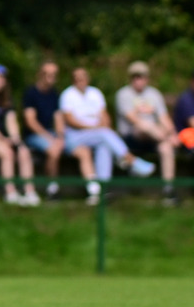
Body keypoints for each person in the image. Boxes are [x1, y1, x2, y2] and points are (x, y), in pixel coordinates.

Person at [60, 67, 156, 205]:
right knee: (104, 135)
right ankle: (131, 161)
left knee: (104, 144)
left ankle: (100, 191)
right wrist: (94, 128)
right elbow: (70, 120)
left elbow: (104, 116)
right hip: (75, 136)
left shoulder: (95, 93)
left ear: (88, 78)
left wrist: (101, 126)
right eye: (77, 78)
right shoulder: (67, 95)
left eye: (83, 77)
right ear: (73, 80)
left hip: (96, 134)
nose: (80, 81)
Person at [21, 61, 99, 200]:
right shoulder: (31, 93)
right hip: (34, 135)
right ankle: (53, 189)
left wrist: (61, 137)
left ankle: (94, 191)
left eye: (53, 74)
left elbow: (58, 119)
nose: (50, 77)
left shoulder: (55, 94)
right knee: (54, 150)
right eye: (47, 74)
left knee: (84, 151)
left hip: (53, 134)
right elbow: (30, 121)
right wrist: (51, 139)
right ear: (40, 74)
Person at [0, 65, 41, 206]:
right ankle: (10, 192)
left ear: (5, 81)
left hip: (5, 139)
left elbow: (11, 121)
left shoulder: (8, 99)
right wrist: (2, 139)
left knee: (24, 151)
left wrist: (15, 138)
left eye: (0, 77)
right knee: (7, 153)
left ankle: (29, 191)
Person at [115, 61, 178, 200]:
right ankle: (166, 139)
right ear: (130, 78)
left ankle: (169, 190)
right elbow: (133, 119)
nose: (138, 80)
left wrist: (173, 133)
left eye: (141, 76)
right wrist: (166, 135)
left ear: (147, 78)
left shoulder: (154, 94)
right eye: (135, 77)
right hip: (131, 137)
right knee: (144, 124)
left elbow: (164, 117)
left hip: (154, 137)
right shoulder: (123, 94)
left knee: (166, 148)